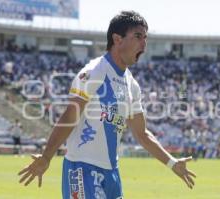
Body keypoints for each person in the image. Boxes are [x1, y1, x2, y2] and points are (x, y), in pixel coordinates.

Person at [18, 11, 196, 198]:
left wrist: (171, 162)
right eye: (137, 36)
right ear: (117, 39)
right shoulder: (94, 72)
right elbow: (70, 116)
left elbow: (142, 134)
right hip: (81, 168)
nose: (144, 43)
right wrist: (46, 157)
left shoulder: (132, 86)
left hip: (112, 173)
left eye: (145, 38)